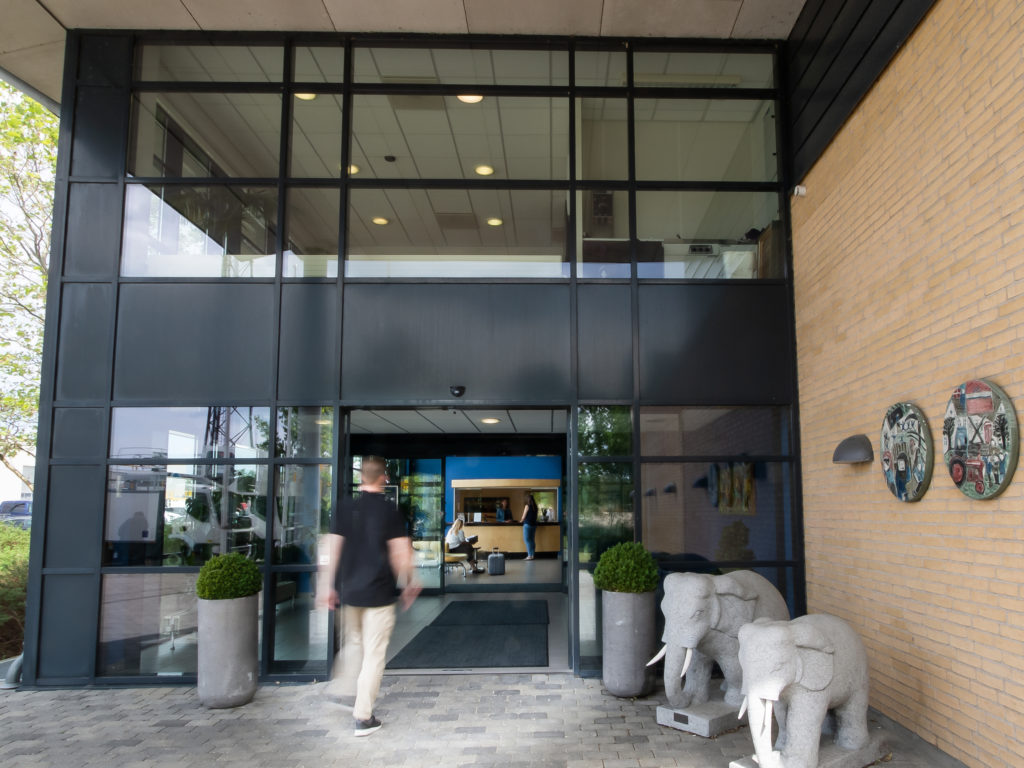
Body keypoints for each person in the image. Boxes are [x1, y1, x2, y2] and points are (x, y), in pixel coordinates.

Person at [316, 456, 421, 737]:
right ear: (384, 478)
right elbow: (400, 552)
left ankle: (343, 686)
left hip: (350, 594)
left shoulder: (344, 507)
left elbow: (332, 548)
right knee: (374, 655)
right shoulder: (389, 511)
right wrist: (410, 582)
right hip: (379, 595)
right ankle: (363, 717)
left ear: (361, 477)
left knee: (354, 643)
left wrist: (326, 586)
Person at [520, 494, 538, 560]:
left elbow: (523, 517)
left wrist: (520, 521)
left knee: (527, 540)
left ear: (528, 500)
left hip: (527, 525)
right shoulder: (535, 507)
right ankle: (532, 555)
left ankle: (529, 556)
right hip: (534, 525)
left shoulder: (527, 506)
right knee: (532, 540)